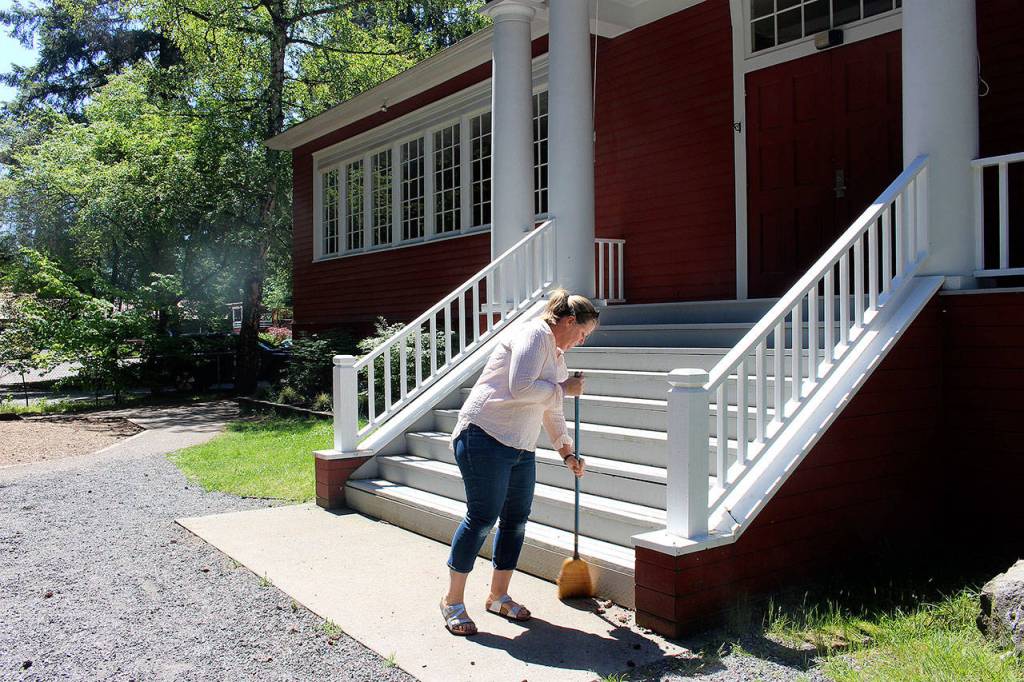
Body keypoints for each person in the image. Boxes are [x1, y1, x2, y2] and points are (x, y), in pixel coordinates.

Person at [440, 289, 600, 636]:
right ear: (570, 322)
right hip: (483, 434)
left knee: (515, 522)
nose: (581, 341)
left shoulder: (557, 356)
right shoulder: (534, 334)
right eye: (583, 334)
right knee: (482, 518)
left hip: (520, 446)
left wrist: (567, 452)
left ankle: (498, 596)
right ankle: (452, 601)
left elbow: (551, 410)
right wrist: (564, 389)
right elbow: (520, 387)